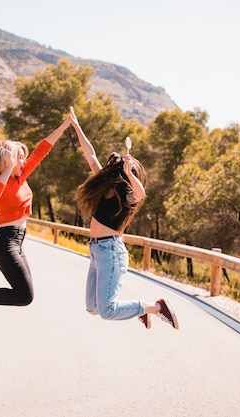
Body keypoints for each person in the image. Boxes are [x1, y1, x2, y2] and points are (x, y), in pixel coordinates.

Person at [0, 113, 72, 325]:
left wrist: (64, 125)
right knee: (24, 296)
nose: (25, 161)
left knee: (25, 295)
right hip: (5, 243)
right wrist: (8, 166)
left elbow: (41, 151)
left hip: (16, 242)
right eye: (20, 157)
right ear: (9, 161)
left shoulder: (20, 176)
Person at [70, 107, 179, 330]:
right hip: (96, 250)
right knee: (92, 308)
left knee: (107, 311)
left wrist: (130, 175)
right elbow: (90, 156)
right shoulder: (103, 186)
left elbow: (141, 194)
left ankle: (156, 308)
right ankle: (140, 310)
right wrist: (76, 126)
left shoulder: (126, 195)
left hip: (110, 252)